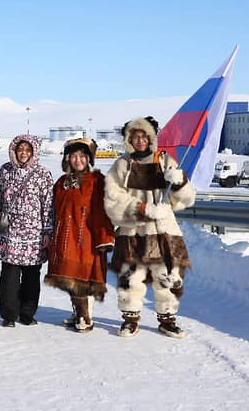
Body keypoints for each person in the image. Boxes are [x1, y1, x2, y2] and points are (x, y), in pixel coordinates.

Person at [104, 116, 196, 338]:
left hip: (163, 230)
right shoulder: (122, 165)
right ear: (128, 140)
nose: (139, 142)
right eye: (134, 138)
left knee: (166, 276)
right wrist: (141, 208)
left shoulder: (166, 161)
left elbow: (186, 200)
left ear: (152, 138)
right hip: (133, 231)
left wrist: (180, 182)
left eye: (144, 137)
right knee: (130, 277)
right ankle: (130, 319)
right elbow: (111, 200)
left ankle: (168, 320)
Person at [45, 138, 115, 332]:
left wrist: (104, 237)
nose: (78, 160)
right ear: (67, 159)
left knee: (82, 278)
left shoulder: (96, 180)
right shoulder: (61, 182)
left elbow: (102, 211)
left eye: (82, 156)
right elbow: (53, 210)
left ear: (89, 159)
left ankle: (85, 317)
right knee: (68, 276)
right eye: (74, 156)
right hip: (64, 237)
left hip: (86, 238)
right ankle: (78, 312)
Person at [0, 135, 54, 327]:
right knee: (9, 275)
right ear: (14, 150)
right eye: (20, 149)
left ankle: (27, 313)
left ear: (34, 152)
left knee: (31, 276)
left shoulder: (42, 174)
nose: (24, 153)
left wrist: (47, 231)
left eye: (28, 150)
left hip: (34, 235)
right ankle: (9, 314)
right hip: (9, 232)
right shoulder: (5, 171)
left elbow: (48, 205)